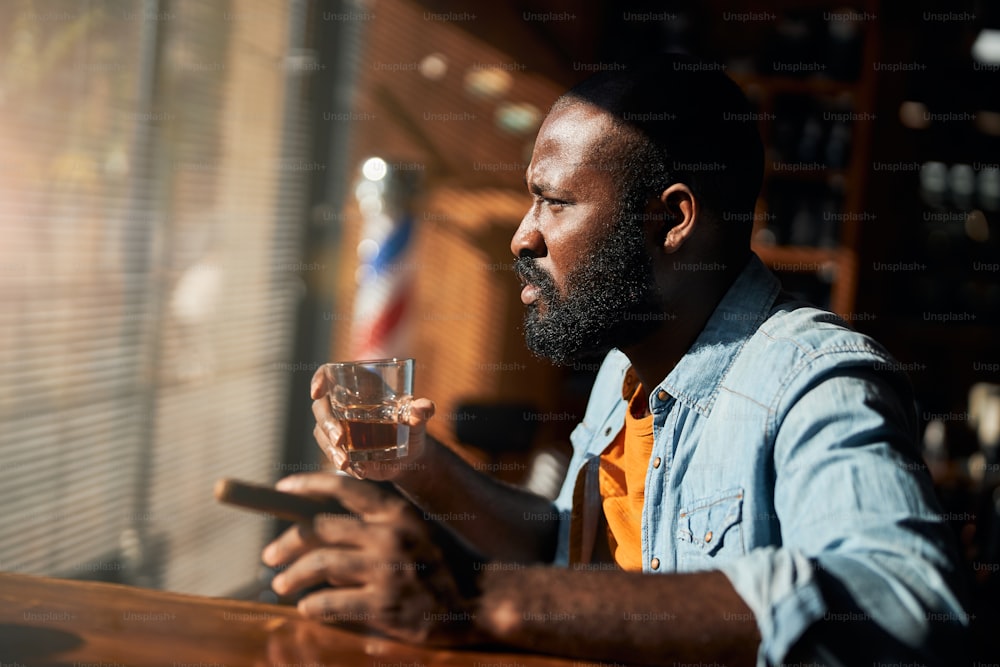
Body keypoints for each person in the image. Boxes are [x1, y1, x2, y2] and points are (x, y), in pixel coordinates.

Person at [261, 54, 969, 666]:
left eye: (553, 202)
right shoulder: (627, 365)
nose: (520, 237)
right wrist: (419, 466)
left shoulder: (815, 382)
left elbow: (907, 603)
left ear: (673, 219)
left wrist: (475, 598)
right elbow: (565, 552)